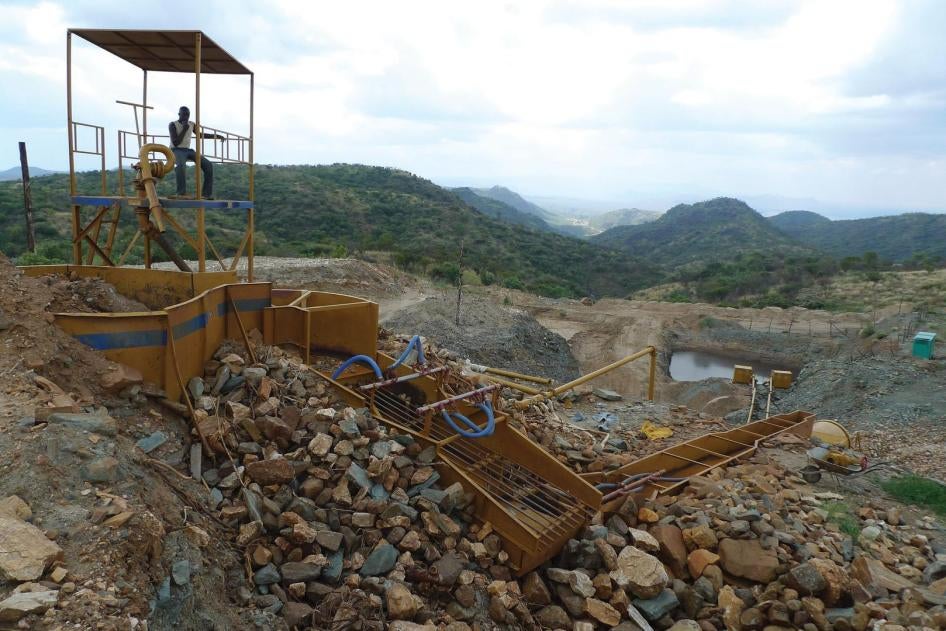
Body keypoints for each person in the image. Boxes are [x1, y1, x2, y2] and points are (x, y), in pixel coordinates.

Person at [168, 106, 224, 199]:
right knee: (180, 166)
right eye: (184, 114)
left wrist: (217, 136)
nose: (186, 117)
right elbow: (176, 142)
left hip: (188, 150)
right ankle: (181, 193)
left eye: (188, 115)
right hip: (176, 149)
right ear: (179, 114)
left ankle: (206, 194)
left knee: (208, 165)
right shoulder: (172, 124)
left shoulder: (191, 124)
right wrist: (184, 129)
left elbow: (200, 135)